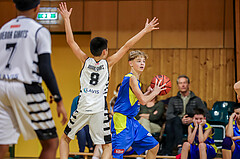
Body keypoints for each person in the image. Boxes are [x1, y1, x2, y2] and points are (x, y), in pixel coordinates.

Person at [58, 2, 160, 159]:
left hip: (83, 108)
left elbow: (71, 42)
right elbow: (127, 46)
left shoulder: (85, 61)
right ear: (105, 51)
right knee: (107, 146)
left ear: (92, 50)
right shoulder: (108, 63)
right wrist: (145, 30)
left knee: (65, 139)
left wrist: (66, 19)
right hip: (99, 110)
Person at [0, 0, 68, 159]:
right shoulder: (39, 31)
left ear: (14, 6)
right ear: (37, 7)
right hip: (26, 86)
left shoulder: (3, 29)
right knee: (51, 143)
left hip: (1, 87)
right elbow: (45, 69)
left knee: (2, 144)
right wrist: (58, 99)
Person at [111, 50, 166, 159]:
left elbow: (135, 100)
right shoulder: (131, 78)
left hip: (131, 121)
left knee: (154, 146)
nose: (142, 63)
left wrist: (147, 93)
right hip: (121, 121)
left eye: (143, 61)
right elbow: (143, 101)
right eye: (138, 61)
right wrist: (155, 92)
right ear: (130, 63)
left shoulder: (137, 81)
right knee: (117, 155)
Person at [163, 75, 210, 155]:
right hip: (177, 124)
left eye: (185, 83)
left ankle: (167, 152)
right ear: (178, 86)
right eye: (180, 83)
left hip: (192, 125)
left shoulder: (196, 99)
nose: (183, 85)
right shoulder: (173, 100)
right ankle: (178, 146)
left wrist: (193, 119)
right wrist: (181, 119)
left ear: (188, 84)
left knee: (171, 126)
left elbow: (207, 114)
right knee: (173, 122)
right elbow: (168, 115)